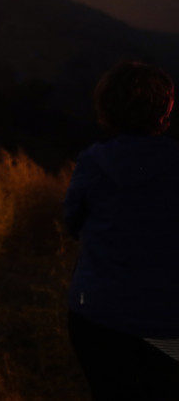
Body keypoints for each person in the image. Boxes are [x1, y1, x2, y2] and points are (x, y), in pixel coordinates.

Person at [64, 60, 179, 400]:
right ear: (165, 108)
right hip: (167, 323)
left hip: (97, 315)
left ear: (106, 107)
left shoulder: (93, 162)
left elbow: (73, 224)